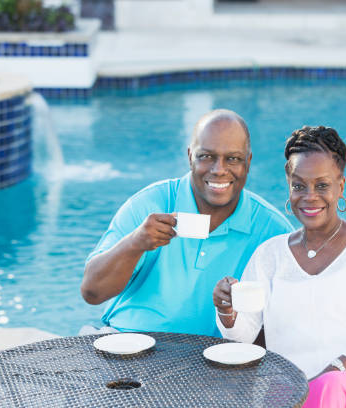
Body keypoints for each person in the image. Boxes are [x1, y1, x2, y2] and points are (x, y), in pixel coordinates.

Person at [213, 126, 346, 408]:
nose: (309, 196)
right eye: (299, 186)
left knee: (329, 389)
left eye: (322, 185)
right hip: (295, 390)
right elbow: (244, 335)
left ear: (340, 186)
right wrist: (227, 310)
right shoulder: (269, 255)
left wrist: (333, 371)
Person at [80, 109, 292, 336]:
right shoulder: (149, 204)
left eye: (232, 159)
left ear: (248, 162)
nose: (219, 170)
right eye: (206, 156)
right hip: (126, 342)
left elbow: (288, 318)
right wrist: (135, 243)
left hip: (216, 360)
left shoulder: (272, 230)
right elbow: (92, 293)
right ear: (190, 156)